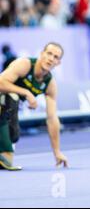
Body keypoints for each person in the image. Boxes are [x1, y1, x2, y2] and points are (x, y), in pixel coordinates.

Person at [0, 42, 68, 170]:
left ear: (58, 63)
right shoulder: (24, 64)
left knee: (14, 136)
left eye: (55, 57)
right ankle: (5, 153)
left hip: (7, 108)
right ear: (41, 54)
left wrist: (57, 152)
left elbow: (52, 118)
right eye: (49, 54)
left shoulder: (50, 84)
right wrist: (26, 93)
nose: (51, 59)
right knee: (10, 98)